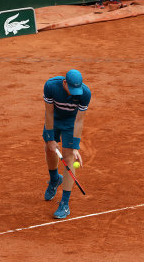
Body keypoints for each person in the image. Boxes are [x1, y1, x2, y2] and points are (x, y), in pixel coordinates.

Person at [42, 69, 91, 219]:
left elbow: (79, 120)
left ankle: (65, 203)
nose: (75, 93)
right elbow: (49, 113)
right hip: (55, 119)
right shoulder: (51, 86)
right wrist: (51, 139)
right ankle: (55, 179)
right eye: (71, 89)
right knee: (49, 149)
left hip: (71, 123)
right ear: (64, 83)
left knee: (69, 158)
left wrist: (75, 146)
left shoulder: (85, 93)